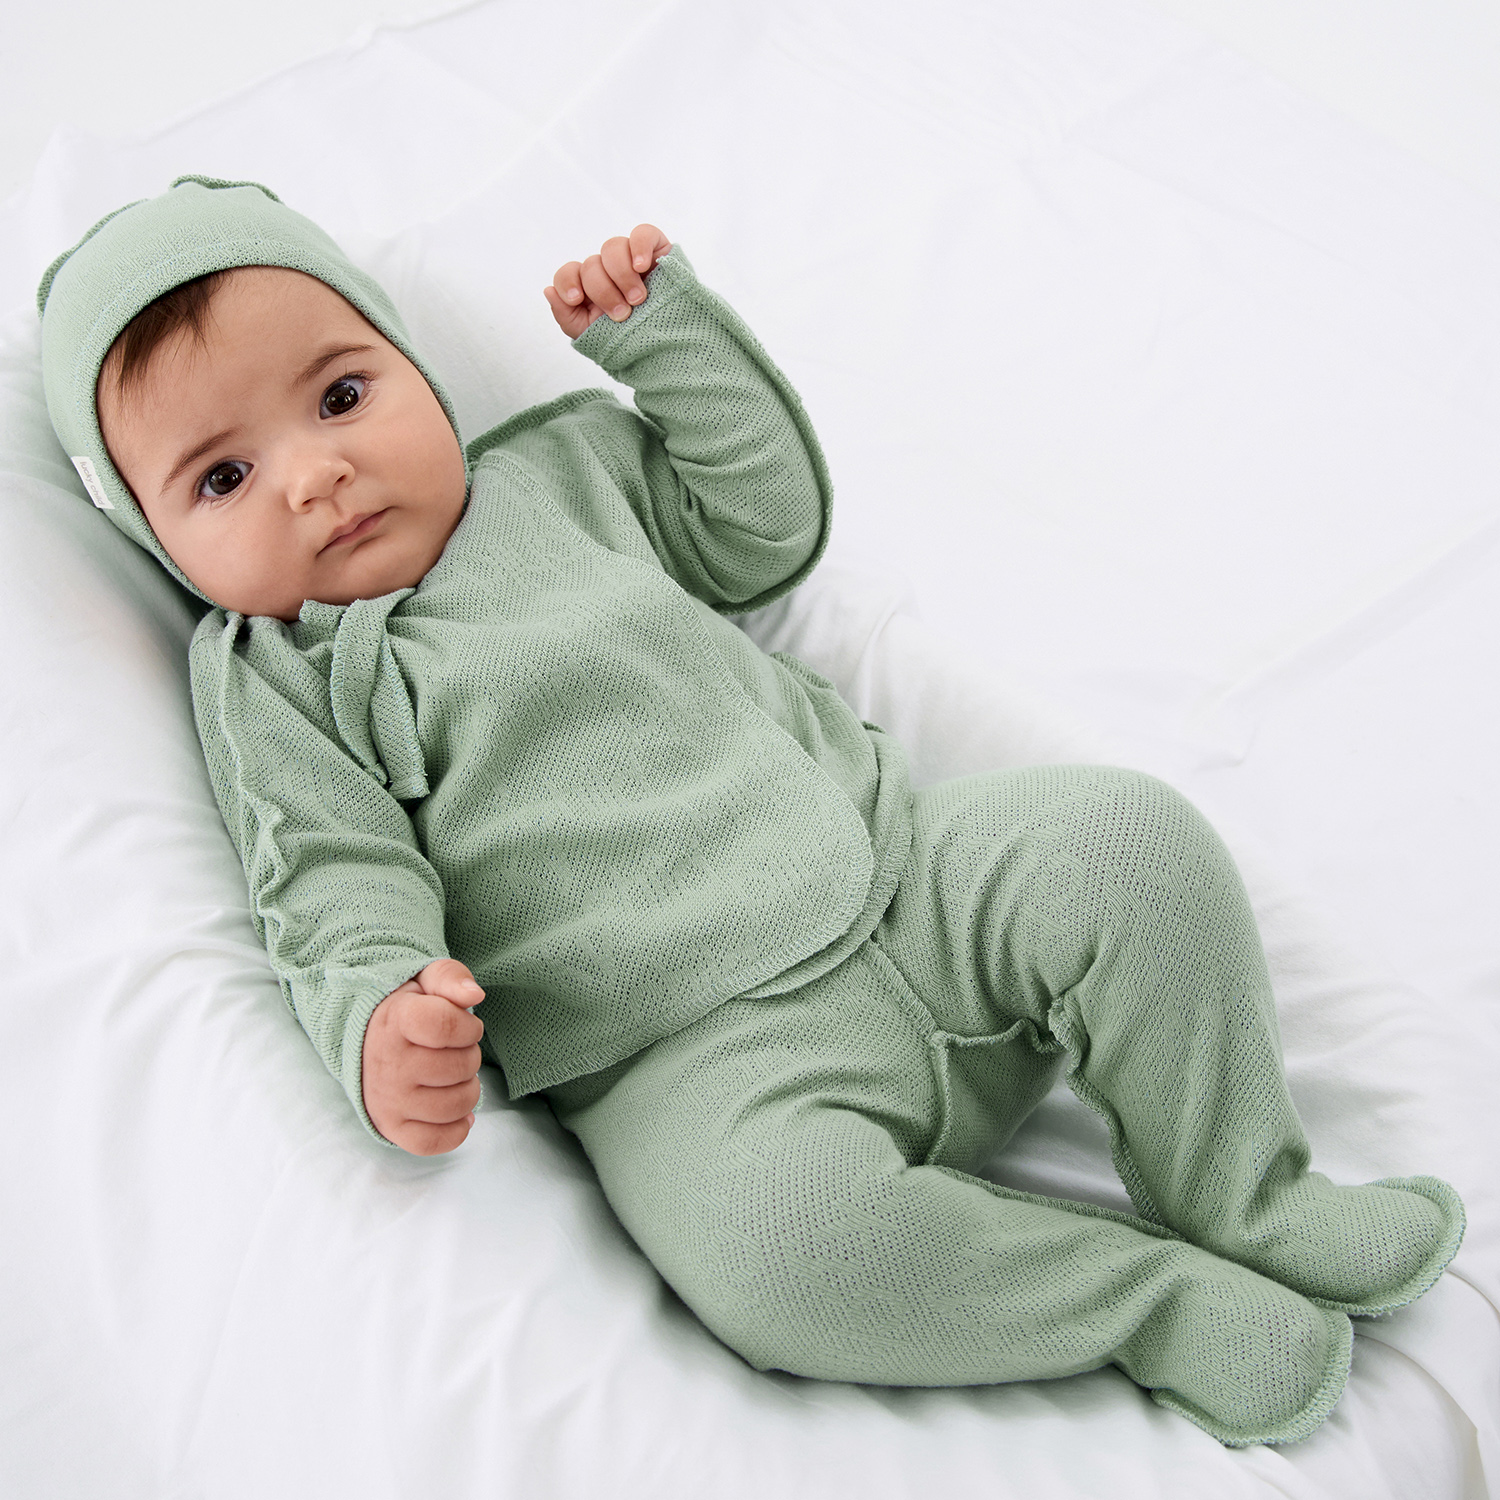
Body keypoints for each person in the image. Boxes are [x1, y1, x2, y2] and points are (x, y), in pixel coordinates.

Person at [38, 175, 1463, 1448]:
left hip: (909, 882)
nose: (314, 474)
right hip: (698, 1070)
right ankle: (1148, 1300)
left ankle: (1243, 1190)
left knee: (1130, 847)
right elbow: (328, 882)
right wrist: (382, 1019)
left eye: (344, 396)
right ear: (158, 543)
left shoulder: (563, 473)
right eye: (223, 477)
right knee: (782, 1260)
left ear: (414, 365)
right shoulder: (279, 685)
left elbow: (760, 527)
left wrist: (667, 345)